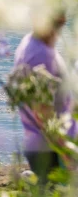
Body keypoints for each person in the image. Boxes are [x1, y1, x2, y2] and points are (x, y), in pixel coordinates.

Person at [13, 13, 75, 182]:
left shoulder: (33, 43)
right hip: (51, 152)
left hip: (46, 148)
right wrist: (68, 155)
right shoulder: (40, 54)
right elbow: (42, 112)